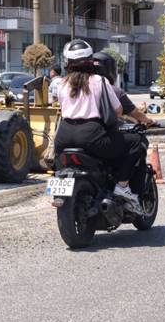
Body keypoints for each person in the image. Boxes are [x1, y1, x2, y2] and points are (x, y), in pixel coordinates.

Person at [54, 40, 144, 214]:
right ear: (91, 60)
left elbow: (62, 107)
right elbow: (118, 111)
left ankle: (59, 189)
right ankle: (122, 186)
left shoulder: (61, 84)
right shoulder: (99, 81)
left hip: (63, 136)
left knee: (60, 167)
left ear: (67, 62)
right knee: (135, 142)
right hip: (91, 136)